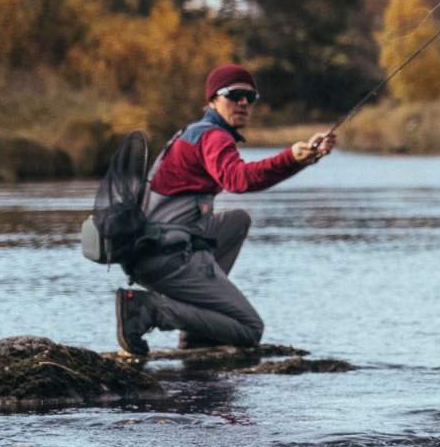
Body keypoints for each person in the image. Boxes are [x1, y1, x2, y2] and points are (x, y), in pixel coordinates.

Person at [114, 63, 335, 355]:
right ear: (212, 100)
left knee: (236, 220)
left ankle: (197, 332)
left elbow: (246, 180)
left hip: (151, 251)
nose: (243, 102)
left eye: (250, 97)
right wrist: (291, 157)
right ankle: (148, 310)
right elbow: (239, 180)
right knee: (249, 328)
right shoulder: (214, 137)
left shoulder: (194, 133)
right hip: (168, 256)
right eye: (234, 95)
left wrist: (301, 159)